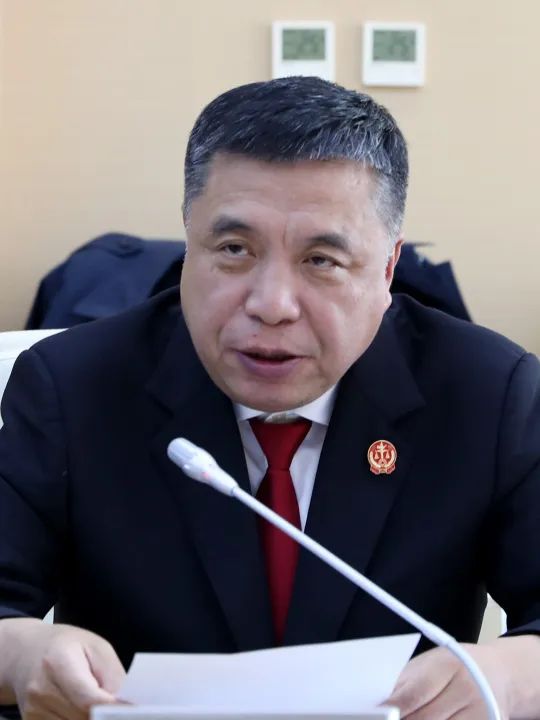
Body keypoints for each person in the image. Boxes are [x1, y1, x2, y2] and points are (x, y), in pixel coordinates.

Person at [0, 76, 539, 720]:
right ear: (189, 243)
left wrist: (510, 676)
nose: (272, 305)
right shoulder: (71, 386)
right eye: (234, 250)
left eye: (321, 260)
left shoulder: (487, 392)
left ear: (389, 269)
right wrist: (22, 655)